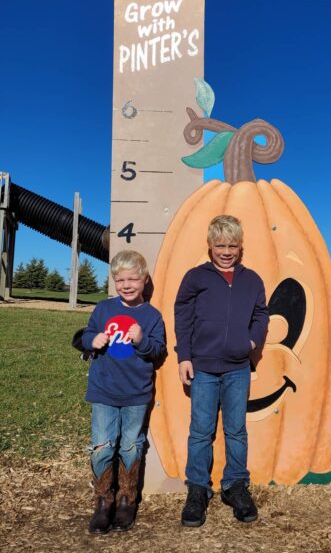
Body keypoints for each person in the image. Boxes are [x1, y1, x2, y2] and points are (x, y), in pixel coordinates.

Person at [174, 215, 269, 527]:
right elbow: (183, 316)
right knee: (201, 431)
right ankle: (198, 489)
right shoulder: (195, 278)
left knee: (236, 430)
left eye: (232, 245)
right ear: (210, 245)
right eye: (220, 245)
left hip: (237, 369)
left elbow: (261, 314)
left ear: (240, 247)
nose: (226, 251)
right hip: (202, 368)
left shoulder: (252, 280)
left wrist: (251, 340)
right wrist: (184, 356)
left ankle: (235, 486)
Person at [81, 250, 165, 534]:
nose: (126, 285)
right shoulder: (103, 309)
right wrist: (93, 339)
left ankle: (126, 500)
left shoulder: (152, 316)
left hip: (136, 393)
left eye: (133, 279)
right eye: (120, 280)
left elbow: (158, 352)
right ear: (114, 282)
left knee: (131, 445)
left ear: (144, 280)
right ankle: (103, 502)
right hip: (103, 390)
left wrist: (141, 340)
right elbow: (84, 336)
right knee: (102, 447)